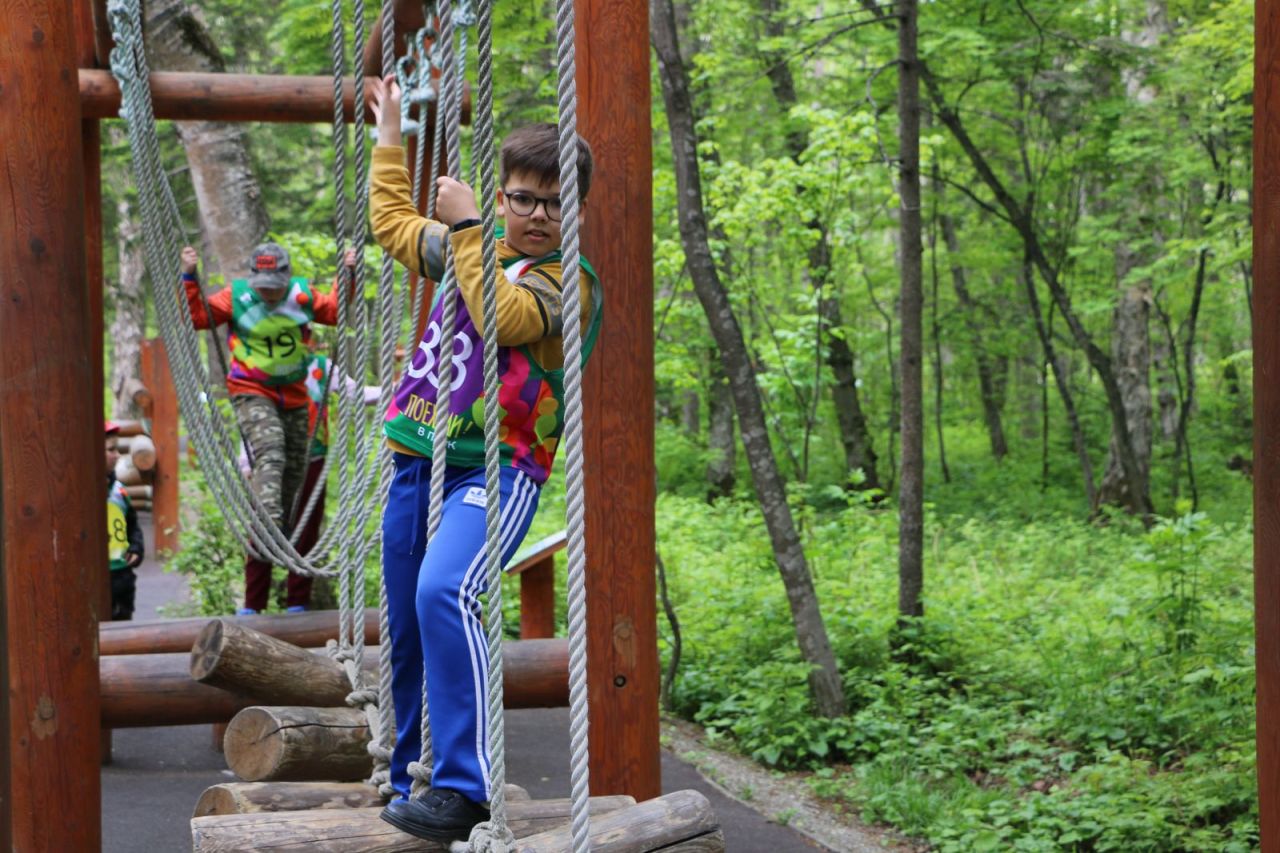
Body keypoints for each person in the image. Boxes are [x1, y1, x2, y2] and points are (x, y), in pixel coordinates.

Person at [369, 75, 603, 843]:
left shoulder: (568, 284)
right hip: (418, 460)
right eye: (521, 199)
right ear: (503, 199)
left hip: (500, 471)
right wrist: (392, 137)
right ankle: (409, 780)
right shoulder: (475, 246)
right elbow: (394, 225)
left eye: (553, 202)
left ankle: (465, 785)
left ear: (575, 209)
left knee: (446, 591)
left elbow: (500, 320)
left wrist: (468, 224)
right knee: (404, 627)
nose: (536, 217)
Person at [179, 242, 357, 615]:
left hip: (292, 396)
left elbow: (337, 311)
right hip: (251, 391)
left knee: (293, 475)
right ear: (253, 279)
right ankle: (268, 529)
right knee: (270, 450)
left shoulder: (301, 295)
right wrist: (189, 277)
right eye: (264, 285)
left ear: (286, 278)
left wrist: (348, 273)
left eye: (275, 285)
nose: (269, 293)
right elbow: (198, 317)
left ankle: (288, 565)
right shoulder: (238, 296)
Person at [105, 421, 145, 620]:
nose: (117, 455)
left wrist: (136, 548)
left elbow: (133, 525)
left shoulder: (119, 490)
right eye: (111, 449)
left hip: (121, 574)